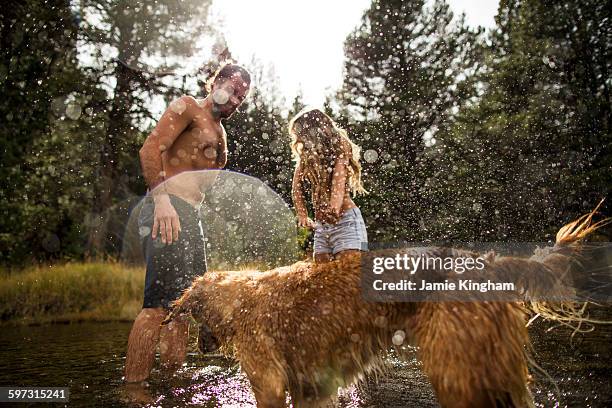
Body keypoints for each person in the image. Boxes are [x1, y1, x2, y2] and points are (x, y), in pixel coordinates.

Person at [124, 62, 251, 383]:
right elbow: (150, 147)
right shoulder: (188, 107)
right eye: (234, 91)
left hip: (189, 217)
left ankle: (171, 385)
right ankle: (133, 390)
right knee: (158, 305)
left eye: (243, 98)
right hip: (167, 208)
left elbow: (203, 183)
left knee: (183, 306)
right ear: (216, 82)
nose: (237, 101)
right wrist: (162, 200)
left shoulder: (220, 134)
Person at [289, 107, 368, 263]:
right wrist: (302, 214)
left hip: (347, 222)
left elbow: (338, 181)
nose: (300, 141)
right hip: (322, 227)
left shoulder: (339, 145)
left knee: (349, 278)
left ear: (314, 131)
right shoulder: (307, 156)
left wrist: (334, 208)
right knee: (322, 281)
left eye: (302, 135)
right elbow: (296, 187)